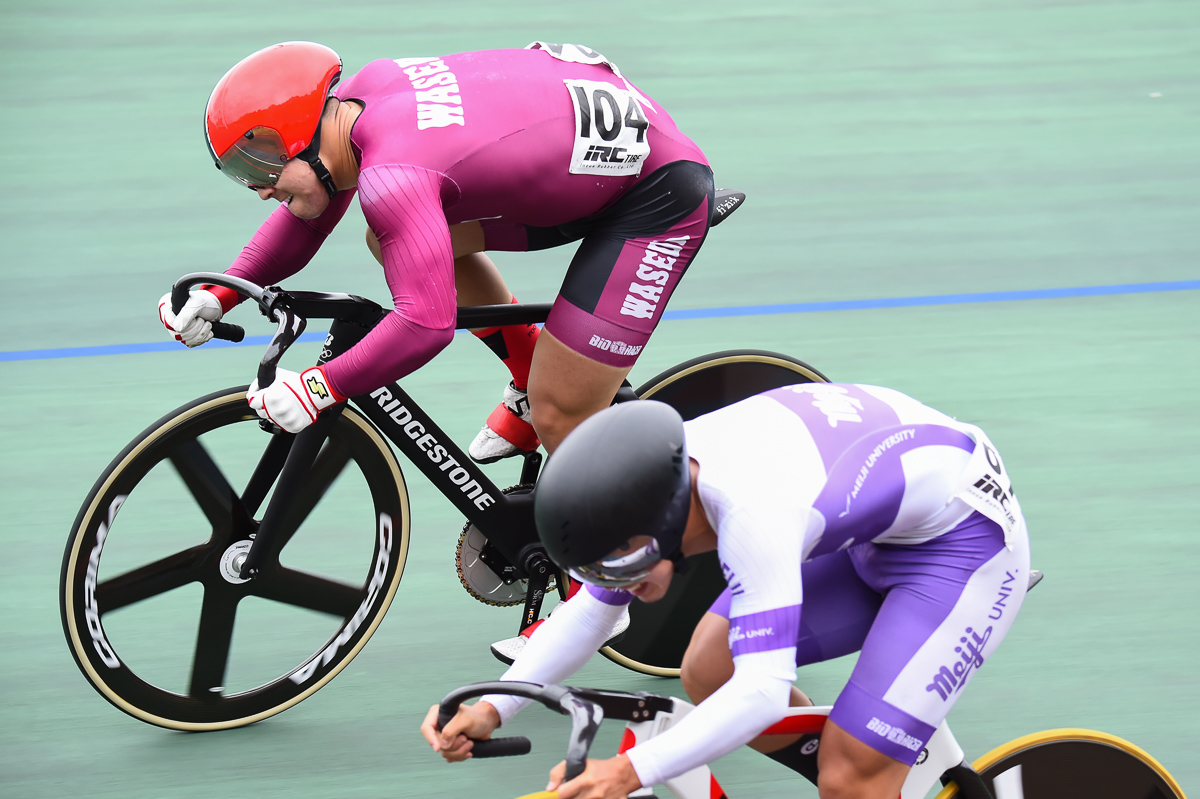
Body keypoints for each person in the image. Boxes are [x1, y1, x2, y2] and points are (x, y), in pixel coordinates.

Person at [422, 383, 1032, 799]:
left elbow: (764, 695)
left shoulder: (752, 513)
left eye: (620, 564)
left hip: (964, 552)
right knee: (711, 667)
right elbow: (591, 614)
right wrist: (492, 707)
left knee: (848, 775)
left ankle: (864, 767)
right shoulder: (656, 477)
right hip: (878, 529)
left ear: (660, 522)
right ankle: (876, 751)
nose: (618, 584)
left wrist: (629, 773)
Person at [158, 40, 714, 465]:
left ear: (303, 132)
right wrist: (222, 291)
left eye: (262, 166)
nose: (259, 188)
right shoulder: (361, 101)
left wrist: (321, 386)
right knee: (397, 237)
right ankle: (525, 365)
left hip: (656, 195)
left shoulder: (394, 172)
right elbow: (309, 218)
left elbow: (426, 324)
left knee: (560, 408)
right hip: (588, 148)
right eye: (243, 173)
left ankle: (600, 598)